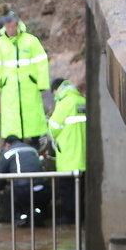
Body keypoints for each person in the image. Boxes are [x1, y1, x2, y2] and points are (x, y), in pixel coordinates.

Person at [0, 13, 51, 144]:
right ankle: (17, 145)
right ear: (4, 27)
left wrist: (42, 84)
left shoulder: (31, 41)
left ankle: (35, 144)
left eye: (13, 26)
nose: (11, 30)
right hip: (9, 89)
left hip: (29, 87)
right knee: (12, 119)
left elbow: (41, 63)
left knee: (33, 117)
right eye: (8, 27)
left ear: (17, 25)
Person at [47, 76, 87, 222]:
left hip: (69, 156)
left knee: (68, 190)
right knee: (82, 189)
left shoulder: (65, 103)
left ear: (56, 90)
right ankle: (81, 216)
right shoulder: (82, 101)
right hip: (84, 155)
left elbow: (53, 128)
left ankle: (70, 217)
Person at [0, 135, 45, 225]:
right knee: (36, 200)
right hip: (41, 187)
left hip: (22, 189)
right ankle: (38, 215)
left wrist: (0, 187)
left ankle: (19, 217)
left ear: (7, 144)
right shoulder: (32, 150)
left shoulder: (7, 153)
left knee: (9, 193)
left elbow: (0, 175)